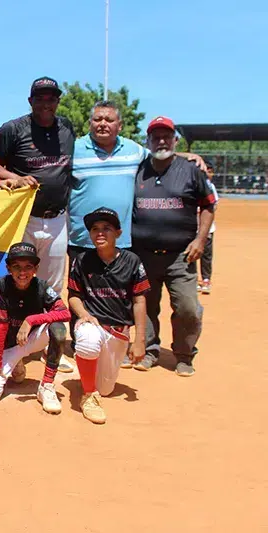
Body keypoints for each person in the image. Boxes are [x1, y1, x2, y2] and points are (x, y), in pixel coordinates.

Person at [0, 76, 75, 373]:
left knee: (52, 287)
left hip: (56, 219)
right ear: (30, 101)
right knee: (19, 281)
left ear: (57, 101)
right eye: (40, 97)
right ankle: (17, 349)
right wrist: (10, 176)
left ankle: (54, 349)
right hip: (23, 218)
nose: (46, 102)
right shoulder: (13, 129)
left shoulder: (67, 129)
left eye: (51, 97)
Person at [68, 100, 208, 264]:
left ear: (119, 125)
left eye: (109, 120)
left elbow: (159, 154)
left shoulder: (133, 150)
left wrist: (188, 156)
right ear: (89, 123)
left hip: (122, 243)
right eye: (97, 119)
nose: (103, 124)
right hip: (82, 241)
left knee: (120, 289)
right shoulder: (72, 150)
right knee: (80, 289)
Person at [131, 117, 216, 376]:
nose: (161, 141)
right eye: (155, 136)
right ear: (148, 142)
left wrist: (200, 240)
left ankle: (183, 354)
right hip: (144, 254)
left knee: (188, 307)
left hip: (182, 255)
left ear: (175, 140)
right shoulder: (138, 169)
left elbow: (209, 204)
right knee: (146, 305)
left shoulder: (191, 170)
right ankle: (150, 350)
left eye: (166, 136)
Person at [68, 208, 150, 424]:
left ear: (119, 233)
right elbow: (73, 297)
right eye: (95, 229)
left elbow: (139, 300)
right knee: (86, 341)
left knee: (106, 389)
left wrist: (140, 339)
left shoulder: (132, 261)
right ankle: (88, 395)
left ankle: (93, 382)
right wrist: (83, 314)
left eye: (107, 228)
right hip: (92, 324)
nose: (100, 233)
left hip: (118, 332)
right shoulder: (82, 260)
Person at [0, 243, 70, 414]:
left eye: (28, 267)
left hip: (31, 340)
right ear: (8, 268)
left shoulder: (41, 286)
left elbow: (64, 312)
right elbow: (1, 325)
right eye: (16, 267)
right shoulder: (2, 285)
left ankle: (47, 385)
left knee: (59, 329)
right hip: (10, 344)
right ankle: (15, 361)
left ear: (36, 268)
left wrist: (31, 320)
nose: (22, 272)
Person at [198, 163, 219, 294]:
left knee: (206, 255)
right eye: (206, 171)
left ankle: (206, 279)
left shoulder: (211, 187)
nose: (208, 174)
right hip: (191, 227)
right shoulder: (193, 183)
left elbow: (213, 206)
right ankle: (191, 280)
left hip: (207, 228)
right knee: (189, 256)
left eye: (211, 172)